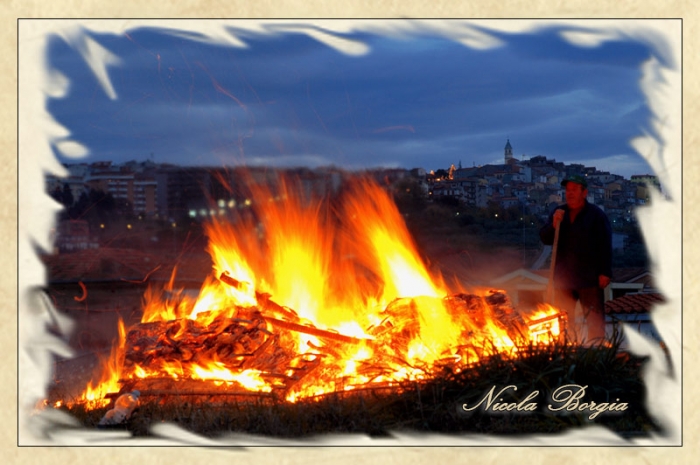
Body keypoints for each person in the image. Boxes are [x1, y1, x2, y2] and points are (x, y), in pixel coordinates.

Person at [539, 175, 613, 345]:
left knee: (594, 319)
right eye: (567, 190)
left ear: (584, 192)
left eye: (574, 190)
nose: (569, 193)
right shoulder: (559, 213)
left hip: (589, 279)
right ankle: (566, 351)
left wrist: (605, 272)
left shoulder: (596, 215)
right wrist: (553, 225)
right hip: (564, 279)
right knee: (564, 321)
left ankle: (597, 351)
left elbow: (605, 244)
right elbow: (545, 238)